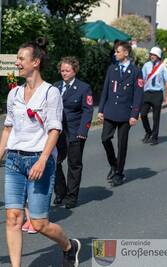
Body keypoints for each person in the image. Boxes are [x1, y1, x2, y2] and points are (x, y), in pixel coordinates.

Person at [0, 37, 81, 267]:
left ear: (35, 62)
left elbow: (54, 130)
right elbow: (8, 130)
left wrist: (43, 160)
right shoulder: (14, 94)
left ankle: (70, 246)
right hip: (15, 161)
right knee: (12, 218)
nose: (17, 62)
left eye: (21, 59)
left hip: (39, 161)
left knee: (39, 224)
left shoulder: (50, 93)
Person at [98, 41, 144, 187]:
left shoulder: (136, 71)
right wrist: (100, 110)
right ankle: (114, 164)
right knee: (105, 138)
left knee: (122, 144)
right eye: (115, 51)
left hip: (126, 113)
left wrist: (134, 114)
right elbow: (105, 89)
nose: (115, 54)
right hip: (111, 111)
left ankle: (119, 173)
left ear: (126, 53)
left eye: (118, 51)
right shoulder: (112, 69)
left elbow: (138, 94)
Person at [53, 56, 93, 209]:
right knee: (55, 162)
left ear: (74, 70)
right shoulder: (55, 87)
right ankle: (60, 192)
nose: (64, 73)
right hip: (57, 132)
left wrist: (83, 131)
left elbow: (88, 110)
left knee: (74, 164)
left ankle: (71, 196)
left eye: (67, 70)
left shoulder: (84, 88)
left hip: (75, 131)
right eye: (62, 70)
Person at [140, 46, 167, 145]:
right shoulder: (146, 65)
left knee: (156, 117)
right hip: (147, 93)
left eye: (154, 54)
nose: (152, 56)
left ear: (158, 56)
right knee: (143, 114)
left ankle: (155, 136)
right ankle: (148, 132)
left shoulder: (163, 66)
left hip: (157, 93)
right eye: (151, 54)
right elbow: (142, 80)